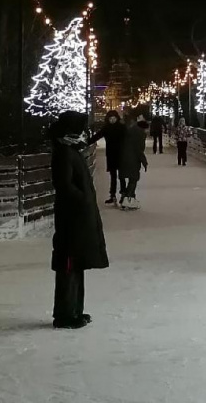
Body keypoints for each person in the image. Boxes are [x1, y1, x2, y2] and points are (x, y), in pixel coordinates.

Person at [49, 110, 109, 329]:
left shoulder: (70, 150)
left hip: (77, 217)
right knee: (69, 264)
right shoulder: (65, 152)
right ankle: (65, 314)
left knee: (77, 264)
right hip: (71, 219)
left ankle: (75, 310)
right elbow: (64, 184)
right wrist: (83, 200)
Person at [87, 110, 127, 204]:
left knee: (121, 176)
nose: (112, 120)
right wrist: (87, 142)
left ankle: (123, 194)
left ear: (117, 118)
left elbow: (128, 139)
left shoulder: (121, 128)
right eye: (110, 118)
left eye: (114, 118)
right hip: (111, 154)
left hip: (121, 154)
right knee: (113, 176)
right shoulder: (107, 128)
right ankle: (112, 195)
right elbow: (97, 136)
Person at [119, 112, 148, 210]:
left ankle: (128, 198)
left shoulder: (129, 131)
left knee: (129, 178)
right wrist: (144, 161)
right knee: (133, 179)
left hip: (123, 158)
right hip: (133, 159)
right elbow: (139, 149)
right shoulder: (140, 134)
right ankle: (127, 199)